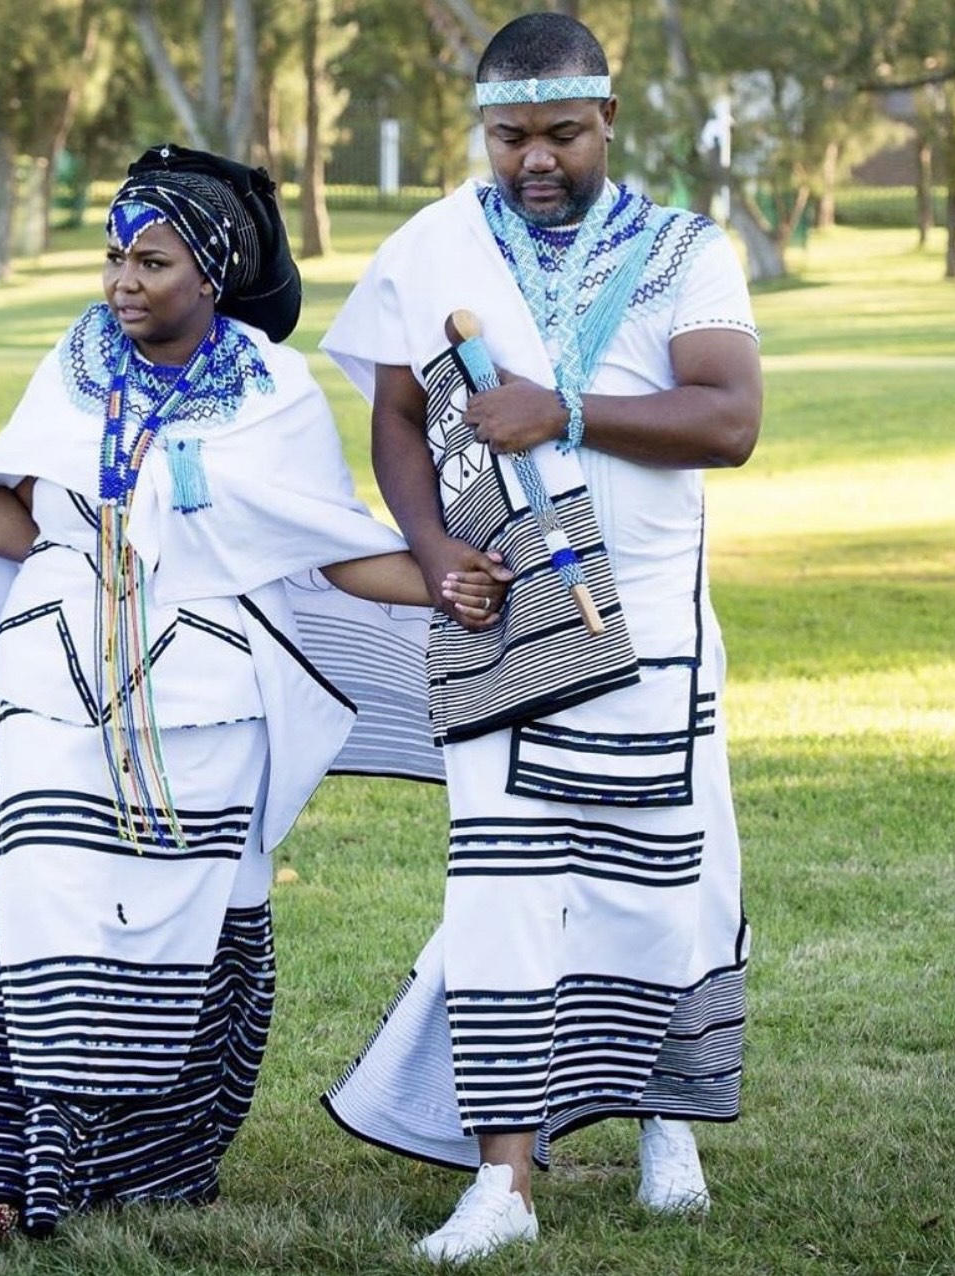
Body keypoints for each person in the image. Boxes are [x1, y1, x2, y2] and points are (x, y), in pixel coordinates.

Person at [0, 144, 510, 1239]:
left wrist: (446, 579)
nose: (122, 283)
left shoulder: (272, 393)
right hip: (56, 686)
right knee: (38, 913)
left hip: (208, 709)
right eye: (113, 259)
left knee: (183, 928)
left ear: (211, 274)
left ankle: (151, 1158)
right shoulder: (75, 362)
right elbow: (26, 526)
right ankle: (7, 1164)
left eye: (151, 262)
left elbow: (330, 553)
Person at [319, 12, 762, 1264]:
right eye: (508, 135)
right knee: (501, 893)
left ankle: (664, 1121)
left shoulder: (682, 250)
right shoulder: (430, 247)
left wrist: (560, 408)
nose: (534, 160)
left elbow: (728, 419)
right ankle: (502, 1182)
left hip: (651, 626)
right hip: (503, 618)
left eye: (561, 133)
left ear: (607, 119)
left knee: (663, 889)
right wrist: (429, 551)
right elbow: (395, 416)